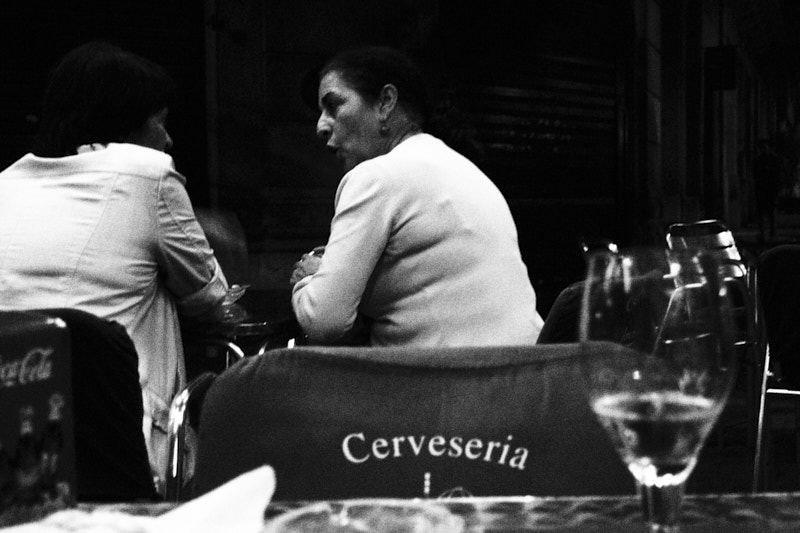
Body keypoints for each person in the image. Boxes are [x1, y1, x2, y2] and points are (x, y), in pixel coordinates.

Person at [0, 41, 230, 490]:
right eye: (160, 122)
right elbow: (212, 295)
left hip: (19, 442)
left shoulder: (6, 184)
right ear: (124, 124)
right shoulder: (148, 172)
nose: (168, 138)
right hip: (122, 442)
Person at [290, 45, 543, 346]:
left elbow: (323, 321)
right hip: (525, 365)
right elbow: (427, 287)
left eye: (333, 106)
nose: (321, 126)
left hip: (452, 372)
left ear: (385, 102)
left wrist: (310, 281)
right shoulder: (463, 169)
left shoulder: (375, 177)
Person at [752, 139, 781, 242]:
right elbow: (755, 174)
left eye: (765, 147)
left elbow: (778, 174)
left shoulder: (773, 160)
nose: (764, 150)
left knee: (771, 211)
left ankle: (772, 231)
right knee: (761, 212)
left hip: (771, 188)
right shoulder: (758, 161)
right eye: (762, 148)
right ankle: (762, 232)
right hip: (761, 188)